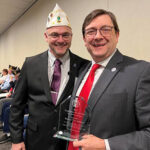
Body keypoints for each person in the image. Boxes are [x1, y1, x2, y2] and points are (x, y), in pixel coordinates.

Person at [9, 4, 89, 150]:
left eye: (65, 35)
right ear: (46, 36)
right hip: (36, 139)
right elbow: (17, 105)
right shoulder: (31, 64)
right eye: (54, 35)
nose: (60, 40)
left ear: (71, 36)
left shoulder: (84, 66)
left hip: (69, 142)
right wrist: (16, 139)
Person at [68, 9, 150, 150]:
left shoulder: (141, 71)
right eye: (91, 31)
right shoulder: (83, 71)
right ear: (84, 39)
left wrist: (106, 145)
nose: (98, 36)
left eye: (105, 29)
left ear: (117, 35)